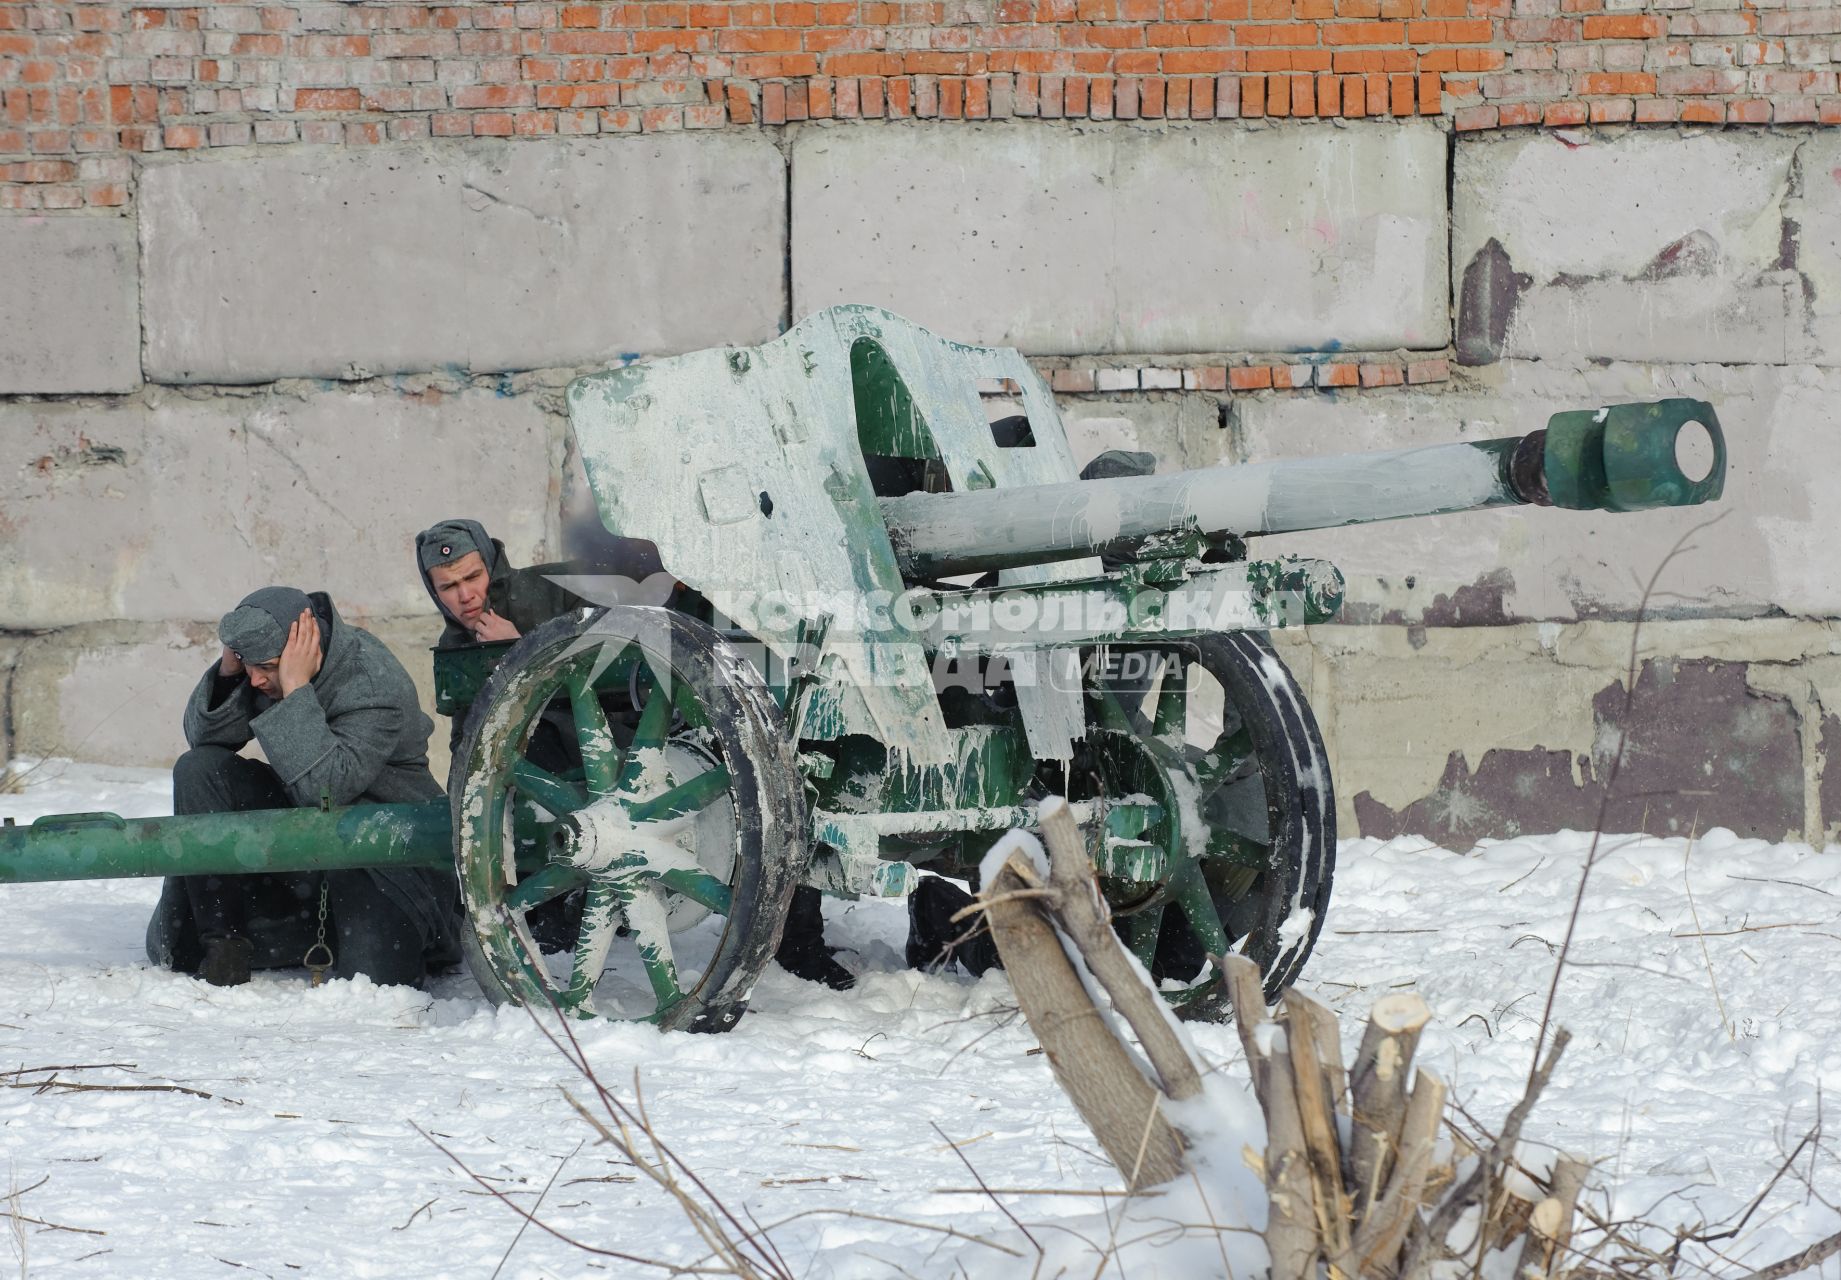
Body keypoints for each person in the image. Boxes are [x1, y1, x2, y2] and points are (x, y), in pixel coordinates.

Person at [415, 519, 854, 991]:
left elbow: (634, 639)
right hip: (555, 780)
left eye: (472, 577)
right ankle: (558, 912)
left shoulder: (554, 589)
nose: (464, 596)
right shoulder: (453, 650)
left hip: (638, 740)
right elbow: (476, 750)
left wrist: (522, 646)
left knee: (780, 795)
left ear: (492, 565)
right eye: (448, 587)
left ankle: (799, 941)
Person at [146, 586, 463, 988]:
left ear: (302, 645)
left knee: (375, 981)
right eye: (250, 666)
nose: (257, 680)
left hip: (381, 854)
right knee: (200, 769)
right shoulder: (264, 664)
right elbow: (202, 738)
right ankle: (224, 940)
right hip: (308, 845)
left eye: (267, 667)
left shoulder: (371, 681)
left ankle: (326, 930)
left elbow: (326, 791)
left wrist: (296, 689)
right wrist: (230, 671)